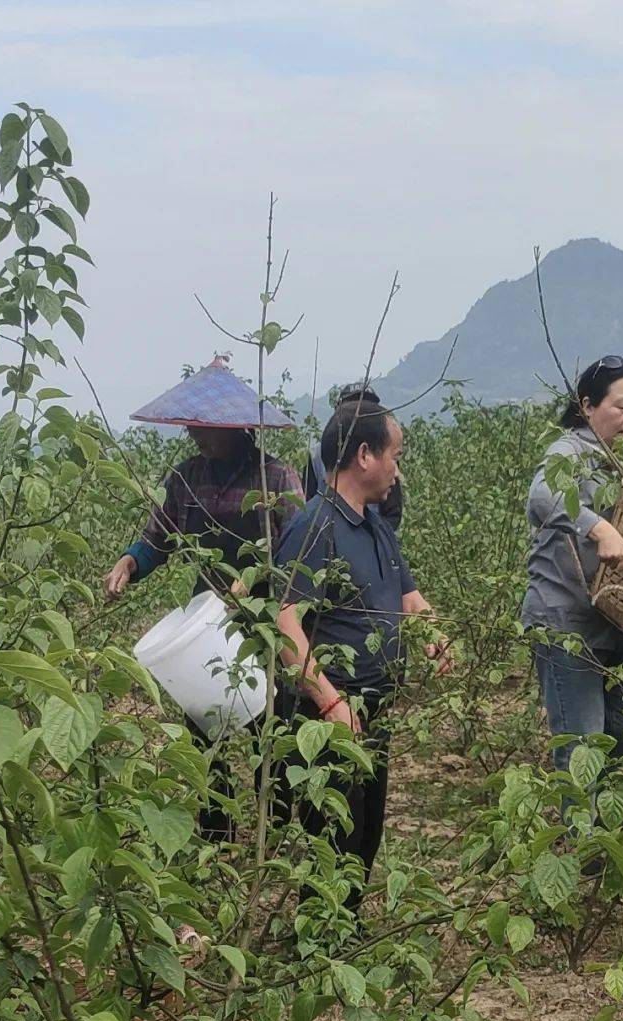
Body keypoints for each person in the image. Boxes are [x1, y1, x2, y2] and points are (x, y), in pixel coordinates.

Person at [104, 357, 303, 841]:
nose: (195, 436)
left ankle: (269, 826)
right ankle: (214, 825)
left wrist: (253, 580)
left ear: (235, 429)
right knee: (202, 719)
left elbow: (301, 549)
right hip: (205, 616)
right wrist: (130, 563)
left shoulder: (275, 478)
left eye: (204, 428)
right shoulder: (187, 477)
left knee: (269, 717)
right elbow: (159, 537)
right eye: (192, 427)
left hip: (264, 613)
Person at [275, 399, 449, 903]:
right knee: (333, 841)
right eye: (395, 454)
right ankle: (317, 961)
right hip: (332, 714)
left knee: (364, 839)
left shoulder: (374, 526)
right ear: (365, 455)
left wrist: (432, 634)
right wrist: (328, 702)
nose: (398, 468)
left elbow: (409, 597)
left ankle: (342, 947)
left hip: (374, 711)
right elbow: (286, 622)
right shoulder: (315, 526)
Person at [521, 356, 623, 775]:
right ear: (587, 406)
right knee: (582, 742)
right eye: (621, 406)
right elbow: (541, 497)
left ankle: (606, 830)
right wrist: (598, 528)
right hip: (566, 620)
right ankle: (583, 835)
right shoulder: (569, 452)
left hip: (619, 617)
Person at [303, 383, 403, 530]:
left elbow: (392, 512)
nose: (359, 413)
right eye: (353, 408)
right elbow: (309, 502)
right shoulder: (317, 456)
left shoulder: (384, 456)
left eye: (367, 408)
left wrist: (373, 538)